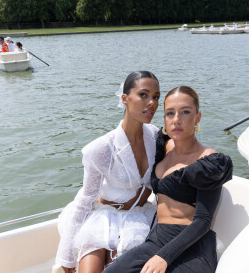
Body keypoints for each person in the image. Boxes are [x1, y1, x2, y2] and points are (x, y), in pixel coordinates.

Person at [104, 86, 233, 273]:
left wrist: (164, 257)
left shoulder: (209, 161)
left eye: (186, 112)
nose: (176, 120)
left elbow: (203, 221)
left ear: (198, 117)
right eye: (170, 113)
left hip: (192, 244)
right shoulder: (163, 146)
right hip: (157, 240)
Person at [55, 71, 161, 273]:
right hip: (102, 219)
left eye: (156, 97)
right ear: (125, 99)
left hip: (138, 218)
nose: (152, 103)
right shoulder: (101, 148)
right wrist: (66, 258)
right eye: (143, 95)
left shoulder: (156, 137)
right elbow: (86, 199)